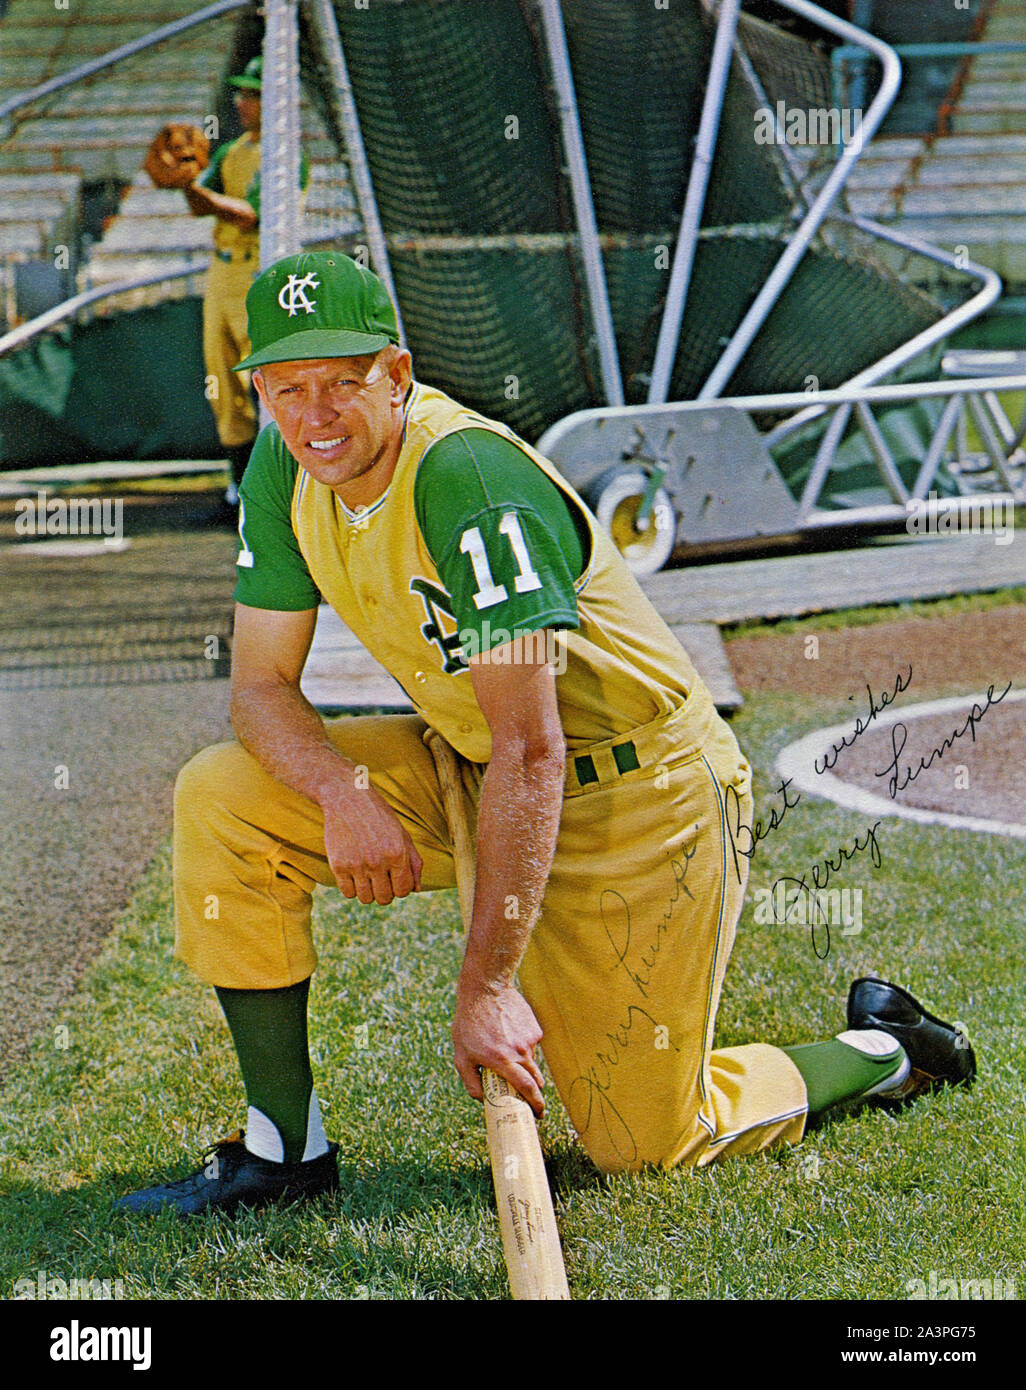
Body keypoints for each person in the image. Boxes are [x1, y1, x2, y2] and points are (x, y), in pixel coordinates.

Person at [116, 251, 975, 1216]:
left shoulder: (466, 476)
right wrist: (341, 792)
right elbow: (261, 688)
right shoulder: (286, 465)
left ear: (396, 376)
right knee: (224, 796)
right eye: (285, 388)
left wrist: (486, 987)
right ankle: (284, 1152)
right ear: (258, 392)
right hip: (475, 763)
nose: (314, 415)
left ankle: (892, 1050)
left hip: (635, 792)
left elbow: (538, 747)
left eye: (341, 383)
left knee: (649, 1144)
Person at [183, 56, 309, 512]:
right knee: (221, 378)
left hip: (260, 271)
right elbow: (200, 202)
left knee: (267, 376)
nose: (241, 102)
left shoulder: (284, 154)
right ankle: (238, 486)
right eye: (240, 93)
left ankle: (282, 486)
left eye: (252, 94)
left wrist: (196, 192)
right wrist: (184, 183)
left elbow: (250, 214)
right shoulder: (233, 150)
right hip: (221, 270)